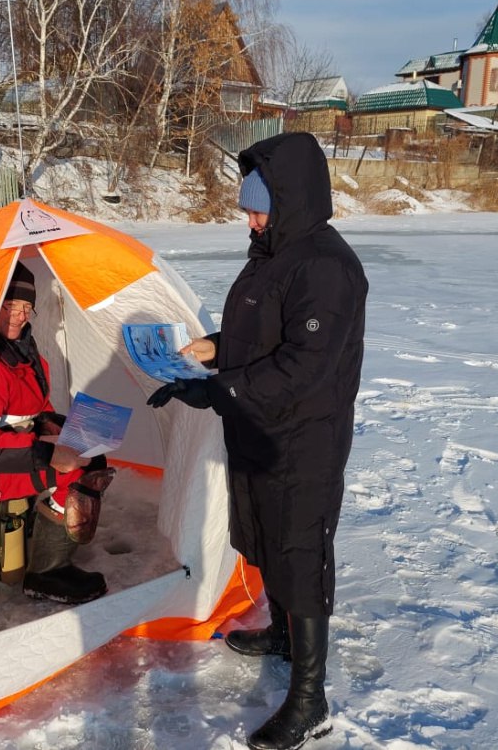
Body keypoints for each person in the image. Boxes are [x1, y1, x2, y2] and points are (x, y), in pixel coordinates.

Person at [147, 132, 367, 750]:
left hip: (304, 441)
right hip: (258, 428)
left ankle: (309, 697)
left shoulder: (326, 266)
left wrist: (220, 390)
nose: (249, 217)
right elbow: (260, 333)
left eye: (257, 206)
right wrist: (214, 348)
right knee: (262, 536)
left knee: (298, 552)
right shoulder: (269, 254)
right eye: (247, 206)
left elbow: (304, 365)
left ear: (292, 199)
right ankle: (279, 631)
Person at [0, 262, 115, 605]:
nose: (19, 316)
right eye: (10, 307)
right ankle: (46, 574)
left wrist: (49, 425)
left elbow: (36, 408)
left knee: (93, 459)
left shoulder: (29, 356)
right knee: (79, 474)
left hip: (16, 454)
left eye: (26, 308)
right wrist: (47, 454)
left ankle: (48, 551)